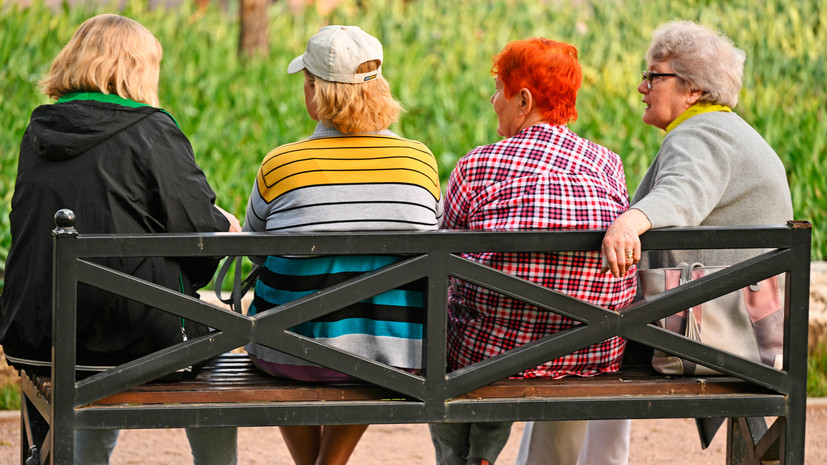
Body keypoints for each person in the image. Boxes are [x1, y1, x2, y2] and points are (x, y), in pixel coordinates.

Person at [0, 14, 240, 465]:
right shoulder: (151, 129)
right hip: (135, 337)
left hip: (40, 335)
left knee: (108, 315)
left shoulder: (37, 133)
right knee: (215, 349)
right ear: (135, 67)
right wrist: (224, 224)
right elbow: (198, 237)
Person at [428, 37, 637, 465]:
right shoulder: (607, 163)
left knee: (451, 325)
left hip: (490, 355)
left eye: (499, 90)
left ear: (523, 100)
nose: (492, 100)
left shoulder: (477, 165)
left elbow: (439, 261)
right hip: (590, 351)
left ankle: (461, 456)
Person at [593, 19, 793, 463]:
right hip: (746, 325)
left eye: (654, 75)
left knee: (571, 343)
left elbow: (680, 195)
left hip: (717, 339)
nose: (642, 87)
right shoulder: (726, 131)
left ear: (693, 90)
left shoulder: (701, 135)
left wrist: (630, 222)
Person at [242, 25, 442, 465]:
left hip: (286, 353)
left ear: (316, 91)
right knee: (365, 338)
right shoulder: (419, 161)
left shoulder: (281, 163)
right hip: (393, 354)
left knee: (290, 324)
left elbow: (255, 250)